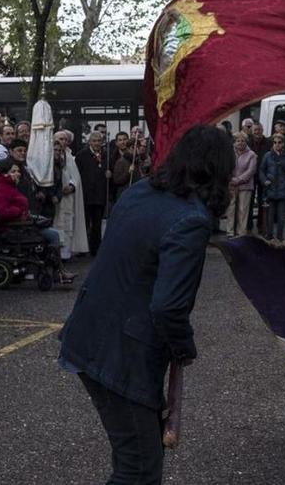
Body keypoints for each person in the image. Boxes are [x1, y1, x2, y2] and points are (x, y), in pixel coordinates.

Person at [58, 125, 234, 485]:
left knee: (137, 454)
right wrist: (185, 348)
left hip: (89, 335)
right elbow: (169, 307)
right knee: (138, 469)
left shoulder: (140, 191)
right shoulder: (191, 220)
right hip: (123, 355)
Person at [0, 162, 75, 283]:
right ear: (4, 174)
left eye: (18, 171)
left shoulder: (11, 186)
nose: (17, 174)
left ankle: (57, 270)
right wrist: (20, 212)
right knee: (53, 235)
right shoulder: (0, 188)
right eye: (13, 172)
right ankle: (56, 271)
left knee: (52, 232)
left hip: (22, 225)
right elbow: (1, 212)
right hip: (12, 230)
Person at [75, 132, 110, 257]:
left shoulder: (106, 154)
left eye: (99, 141)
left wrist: (108, 175)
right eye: (94, 141)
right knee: (84, 223)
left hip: (100, 195)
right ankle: (83, 248)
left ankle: (96, 249)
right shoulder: (81, 155)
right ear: (89, 142)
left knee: (97, 223)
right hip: (85, 195)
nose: (96, 143)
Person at [54, 137, 89, 259]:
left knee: (67, 224)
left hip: (67, 198)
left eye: (64, 140)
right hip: (54, 199)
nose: (62, 142)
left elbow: (75, 177)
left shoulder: (70, 158)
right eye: (59, 139)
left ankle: (65, 253)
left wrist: (72, 186)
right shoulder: (49, 158)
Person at [260, 133, 285, 241]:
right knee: (270, 216)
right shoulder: (267, 155)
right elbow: (262, 169)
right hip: (270, 188)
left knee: (281, 216)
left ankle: (280, 236)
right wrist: (264, 180)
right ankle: (269, 235)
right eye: (275, 142)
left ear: (283, 143)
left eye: (279, 142)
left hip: (282, 189)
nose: (277, 145)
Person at [225, 132, 257, 237]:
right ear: (234, 142)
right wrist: (231, 179)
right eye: (238, 141)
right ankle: (230, 231)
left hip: (245, 185)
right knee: (231, 208)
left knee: (243, 210)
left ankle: (241, 232)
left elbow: (251, 170)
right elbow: (226, 168)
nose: (240, 143)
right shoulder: (229, 153)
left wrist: (238, 180)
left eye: (243, 141)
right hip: (231, 184)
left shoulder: (251, 154)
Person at [247, 122, 272, 235]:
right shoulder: (247, 142)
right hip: (250, 175)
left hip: (264, 175)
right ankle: (248, 225)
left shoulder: (268, 142)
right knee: (249, 201)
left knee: (263, 201)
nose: (257, 132)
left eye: (259, 130)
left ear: (262, 130)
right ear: (252, 131)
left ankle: (261, 226)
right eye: (255, 130)